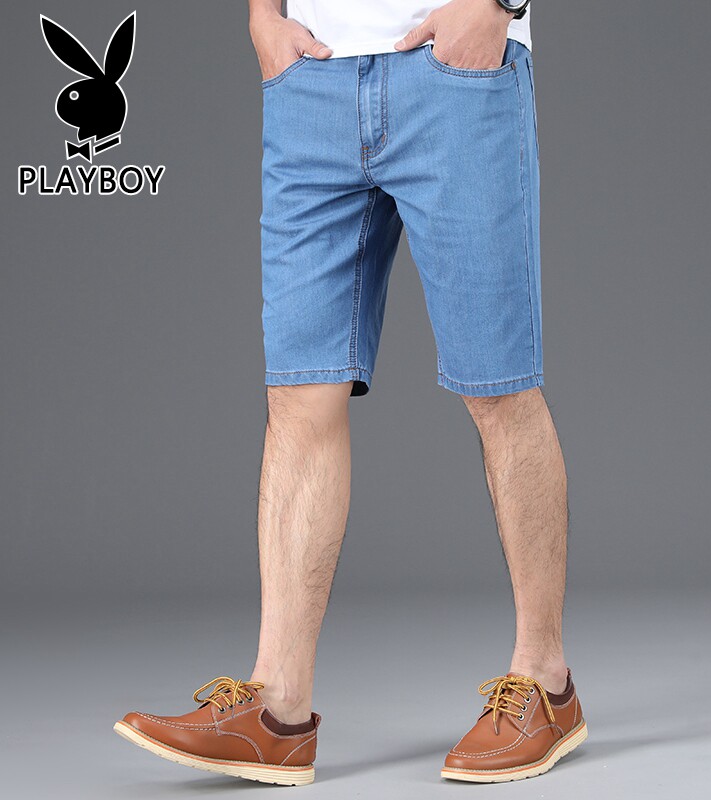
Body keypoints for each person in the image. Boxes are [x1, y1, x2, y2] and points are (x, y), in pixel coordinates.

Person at [114, 0, 587, 785]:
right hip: (313, 81)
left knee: (498, 387)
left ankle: (546, 680)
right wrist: (262, 18)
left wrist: (495, 7)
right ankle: (277, 710)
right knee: (298, 395)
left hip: (453, 74)